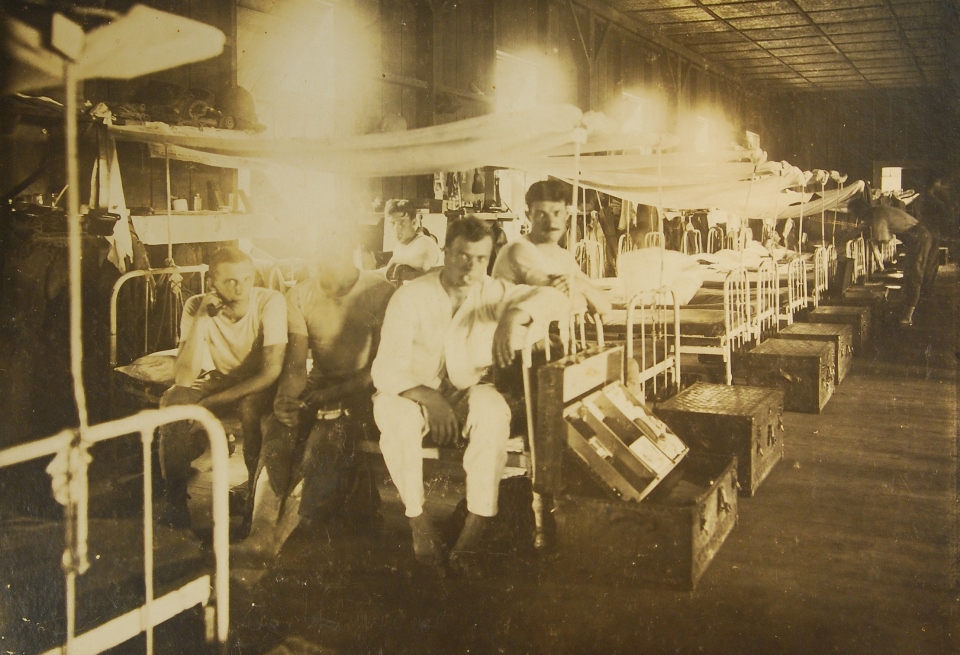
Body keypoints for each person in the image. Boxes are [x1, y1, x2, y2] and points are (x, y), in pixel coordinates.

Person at [371, 216, 568, 574]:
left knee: (493, 413)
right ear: (446, 253)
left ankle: (475, 528)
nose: (471, 266)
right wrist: (430, 399)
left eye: (480, 258)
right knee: (396, 418)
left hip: (466, 391)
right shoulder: (411, 296)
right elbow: (385, 371)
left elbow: (554, 298)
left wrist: (513, 318)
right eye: (462, 255)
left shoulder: (493, 292)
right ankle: (418, 521)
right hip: (408, 394)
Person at [231, 225, 395, 567]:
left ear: (352, 245)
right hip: (318, 386)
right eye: (319, 248)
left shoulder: (381, 291)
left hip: (365, 391)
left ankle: (281, 539)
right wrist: (287, 401)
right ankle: (260, 531)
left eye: (333, 247)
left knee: (323, 440)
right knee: (278, 426)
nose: (324, 257)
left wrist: (329, 397)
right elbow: (294, 367)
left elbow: (379, 369)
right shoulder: (300, 295)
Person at [159, 247, 287, 528]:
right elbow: (183, 377)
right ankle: (175, 502)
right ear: (211, 284)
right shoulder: (196, 306)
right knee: (172, 401)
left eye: (246, 278)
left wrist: (210, 404)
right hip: (221, 378)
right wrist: (202, 319)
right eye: (230, 281)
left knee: (252, 410)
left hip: (259, 382)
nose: (240, 288)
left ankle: (253, 505)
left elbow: (271, 371)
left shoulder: (269, 301)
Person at [491, 180, 611, 315]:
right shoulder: (520, 249)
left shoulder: (564, 256)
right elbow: (557, 298)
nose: (550, 221)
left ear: (567, 214)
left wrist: (582, 285)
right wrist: (585, 296)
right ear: (528, 216)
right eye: (541, 214)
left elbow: (605, 307)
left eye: (557, 213)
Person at [848, 195, 939, 326]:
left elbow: (883, 240)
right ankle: (912, 311)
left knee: (914, 274)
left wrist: (872, 241)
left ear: (860, 212)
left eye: (856, 214)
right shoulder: (878, 210)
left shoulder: (877, 215)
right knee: (913, 274)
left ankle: (908, 316)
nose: (857, 218)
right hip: (919, 236)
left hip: (919, 238)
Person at [380, 199, 442, 283]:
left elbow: (424, 264)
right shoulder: (399, 247)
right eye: (392, 223)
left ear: (413, 223)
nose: (396, 228)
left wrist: (395, 259)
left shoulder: (424, 242)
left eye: (402, 223)